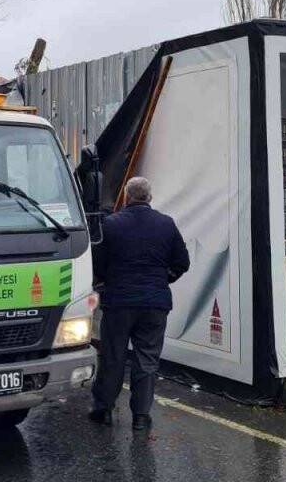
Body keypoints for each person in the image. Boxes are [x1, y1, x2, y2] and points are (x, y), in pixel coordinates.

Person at [89, 176, 190, 431]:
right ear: (150, 197)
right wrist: (164, 278)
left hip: (119, 301)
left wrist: (105, 282)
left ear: (126, 197)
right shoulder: (166, 224)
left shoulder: (110, 225)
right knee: (147, 360)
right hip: (155, 303)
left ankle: (104, 410)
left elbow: (97, 264)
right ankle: (141, 417)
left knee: (113, 357)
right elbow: (182, 262)